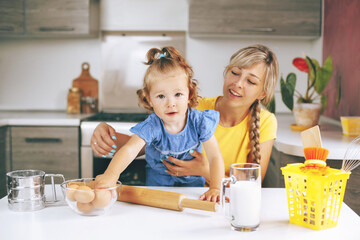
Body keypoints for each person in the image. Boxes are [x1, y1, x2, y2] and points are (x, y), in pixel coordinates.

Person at [92, 44, 278, 196]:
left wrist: (205, 172)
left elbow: (252, 186)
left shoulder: (265, 122)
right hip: (163, 193)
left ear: (262, 93)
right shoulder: (190, 106)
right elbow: (141, 146)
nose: (238, 83)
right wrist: (106, 133)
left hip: (210, 197)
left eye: (251, 81)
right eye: (235, 73)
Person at [94, 47, 224, 202]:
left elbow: (215, 156)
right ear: (149, 99)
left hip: (192, 189)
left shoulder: (199, 121)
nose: (171, 103)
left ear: (189, 94)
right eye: (161, 96)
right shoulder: (152, 125)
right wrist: (111, 176)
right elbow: (129, 149)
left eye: (178, 94)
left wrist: (216, 188)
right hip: (157, 189)